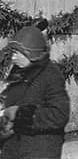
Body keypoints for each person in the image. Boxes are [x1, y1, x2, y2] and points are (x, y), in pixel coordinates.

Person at [0, 26, 70, 159]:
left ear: (31, 53)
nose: (13, 58)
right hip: (14, 147)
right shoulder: (19, 72)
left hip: (41, 148)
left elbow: (60, 114)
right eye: (12, 53)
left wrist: (20, 114)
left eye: (17, 53)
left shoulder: (51, 75)